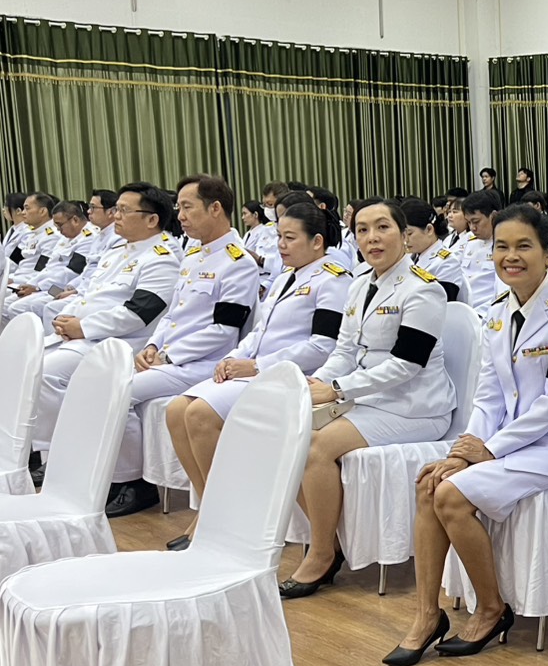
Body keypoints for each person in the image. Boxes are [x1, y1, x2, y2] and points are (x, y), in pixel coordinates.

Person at [385, 205, 548, 666]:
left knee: (450, 496)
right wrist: (464, 451)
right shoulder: (500, 311)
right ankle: (426, 614)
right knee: (430, 482)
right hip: (510, 441)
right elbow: (488, 398)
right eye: (502, 246)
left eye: (524, 246)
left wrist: (489, 449)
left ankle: (490, 608)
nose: (510, 256)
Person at [283, 200, 456, 599]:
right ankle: (331, 539)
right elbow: (344, 351)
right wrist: (317, 382)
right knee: (288, 432)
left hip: (414, 407)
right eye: (362, 230)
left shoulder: (423, 289)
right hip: (367, 399)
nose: (372, 238)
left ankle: (322, 554)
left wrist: (337, 389)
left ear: (404, 235)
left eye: (383, 227)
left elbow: (407, 366)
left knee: (316, 447)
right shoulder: (360, 284)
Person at [164, 202, 350, 549]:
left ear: (317, 242)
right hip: (257, 371)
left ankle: (223, 517)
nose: (280, 245)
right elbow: (258, 333)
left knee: (200, 413)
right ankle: (210, 509)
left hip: (292, 376)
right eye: (279, 236)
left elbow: (323, 346)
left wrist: (258, 366)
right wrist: (233, 357)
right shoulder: (283, 278)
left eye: (290, 238)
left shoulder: (333, 280)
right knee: (176, 411)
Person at [106, 176, 260, 518]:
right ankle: (117, 478)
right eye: (179, 207)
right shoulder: (192, 255)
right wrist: (152, 345)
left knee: (118, 391)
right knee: (106, 382)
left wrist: (169, 355)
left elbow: (224, 331)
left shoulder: (237, 262)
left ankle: (134, 484)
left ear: (215, 208)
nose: (180, 216)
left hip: (204, 364)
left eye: (188, 207)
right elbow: (172, 315)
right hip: (172, 359)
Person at [27, 184, 182, 485]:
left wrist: (83, 326)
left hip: (122, 344)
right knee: (28, 364)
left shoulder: (161, 258)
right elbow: (89, 293)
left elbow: (138, 313)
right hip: (88, 337)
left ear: (152, 219)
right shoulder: (117, 252)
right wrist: (65, 317)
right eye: (116, 209)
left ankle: (69, 458)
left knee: (46, 374)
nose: (116, 216)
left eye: (123, 210)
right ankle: (46, 451)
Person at [402, 198, 469, 304]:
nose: (405, 240)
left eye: (409, 234)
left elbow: (442, 304)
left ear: (429, 230)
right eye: (402, 235)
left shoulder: (447, 263)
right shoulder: (409, 257)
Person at [459, 190, 504, 316]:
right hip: (462, 310)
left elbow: (503, 292)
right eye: (468, 222)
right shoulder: (468, 241)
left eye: (476, 221)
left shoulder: (505, 245)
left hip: (487, 313)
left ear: (493, 216)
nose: (472, 228)